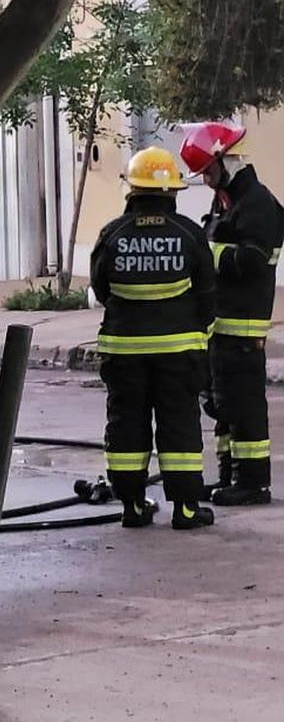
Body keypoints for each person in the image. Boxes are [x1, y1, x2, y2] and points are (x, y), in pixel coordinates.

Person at [90, 147, 217, 530]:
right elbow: (208, 294)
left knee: (127, 424)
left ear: (132, 190)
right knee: (179, 425)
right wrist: (200, 335)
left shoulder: (112, 234)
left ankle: (132, 506)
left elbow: (100, 288)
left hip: (124, 353)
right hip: (179, 353)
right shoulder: (190, 234)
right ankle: (187, 510)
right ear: (172, 193)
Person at [180, 121, 284, 506]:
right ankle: (229, 476)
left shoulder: (257, 204)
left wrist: (207, 254)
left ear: (226, 159)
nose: (206, 180)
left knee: (244, 408)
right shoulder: (227, 200)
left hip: (243, 327)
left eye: (208, 170)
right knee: (223, 407)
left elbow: (253, 262)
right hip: (221, 325)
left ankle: (253, 482)